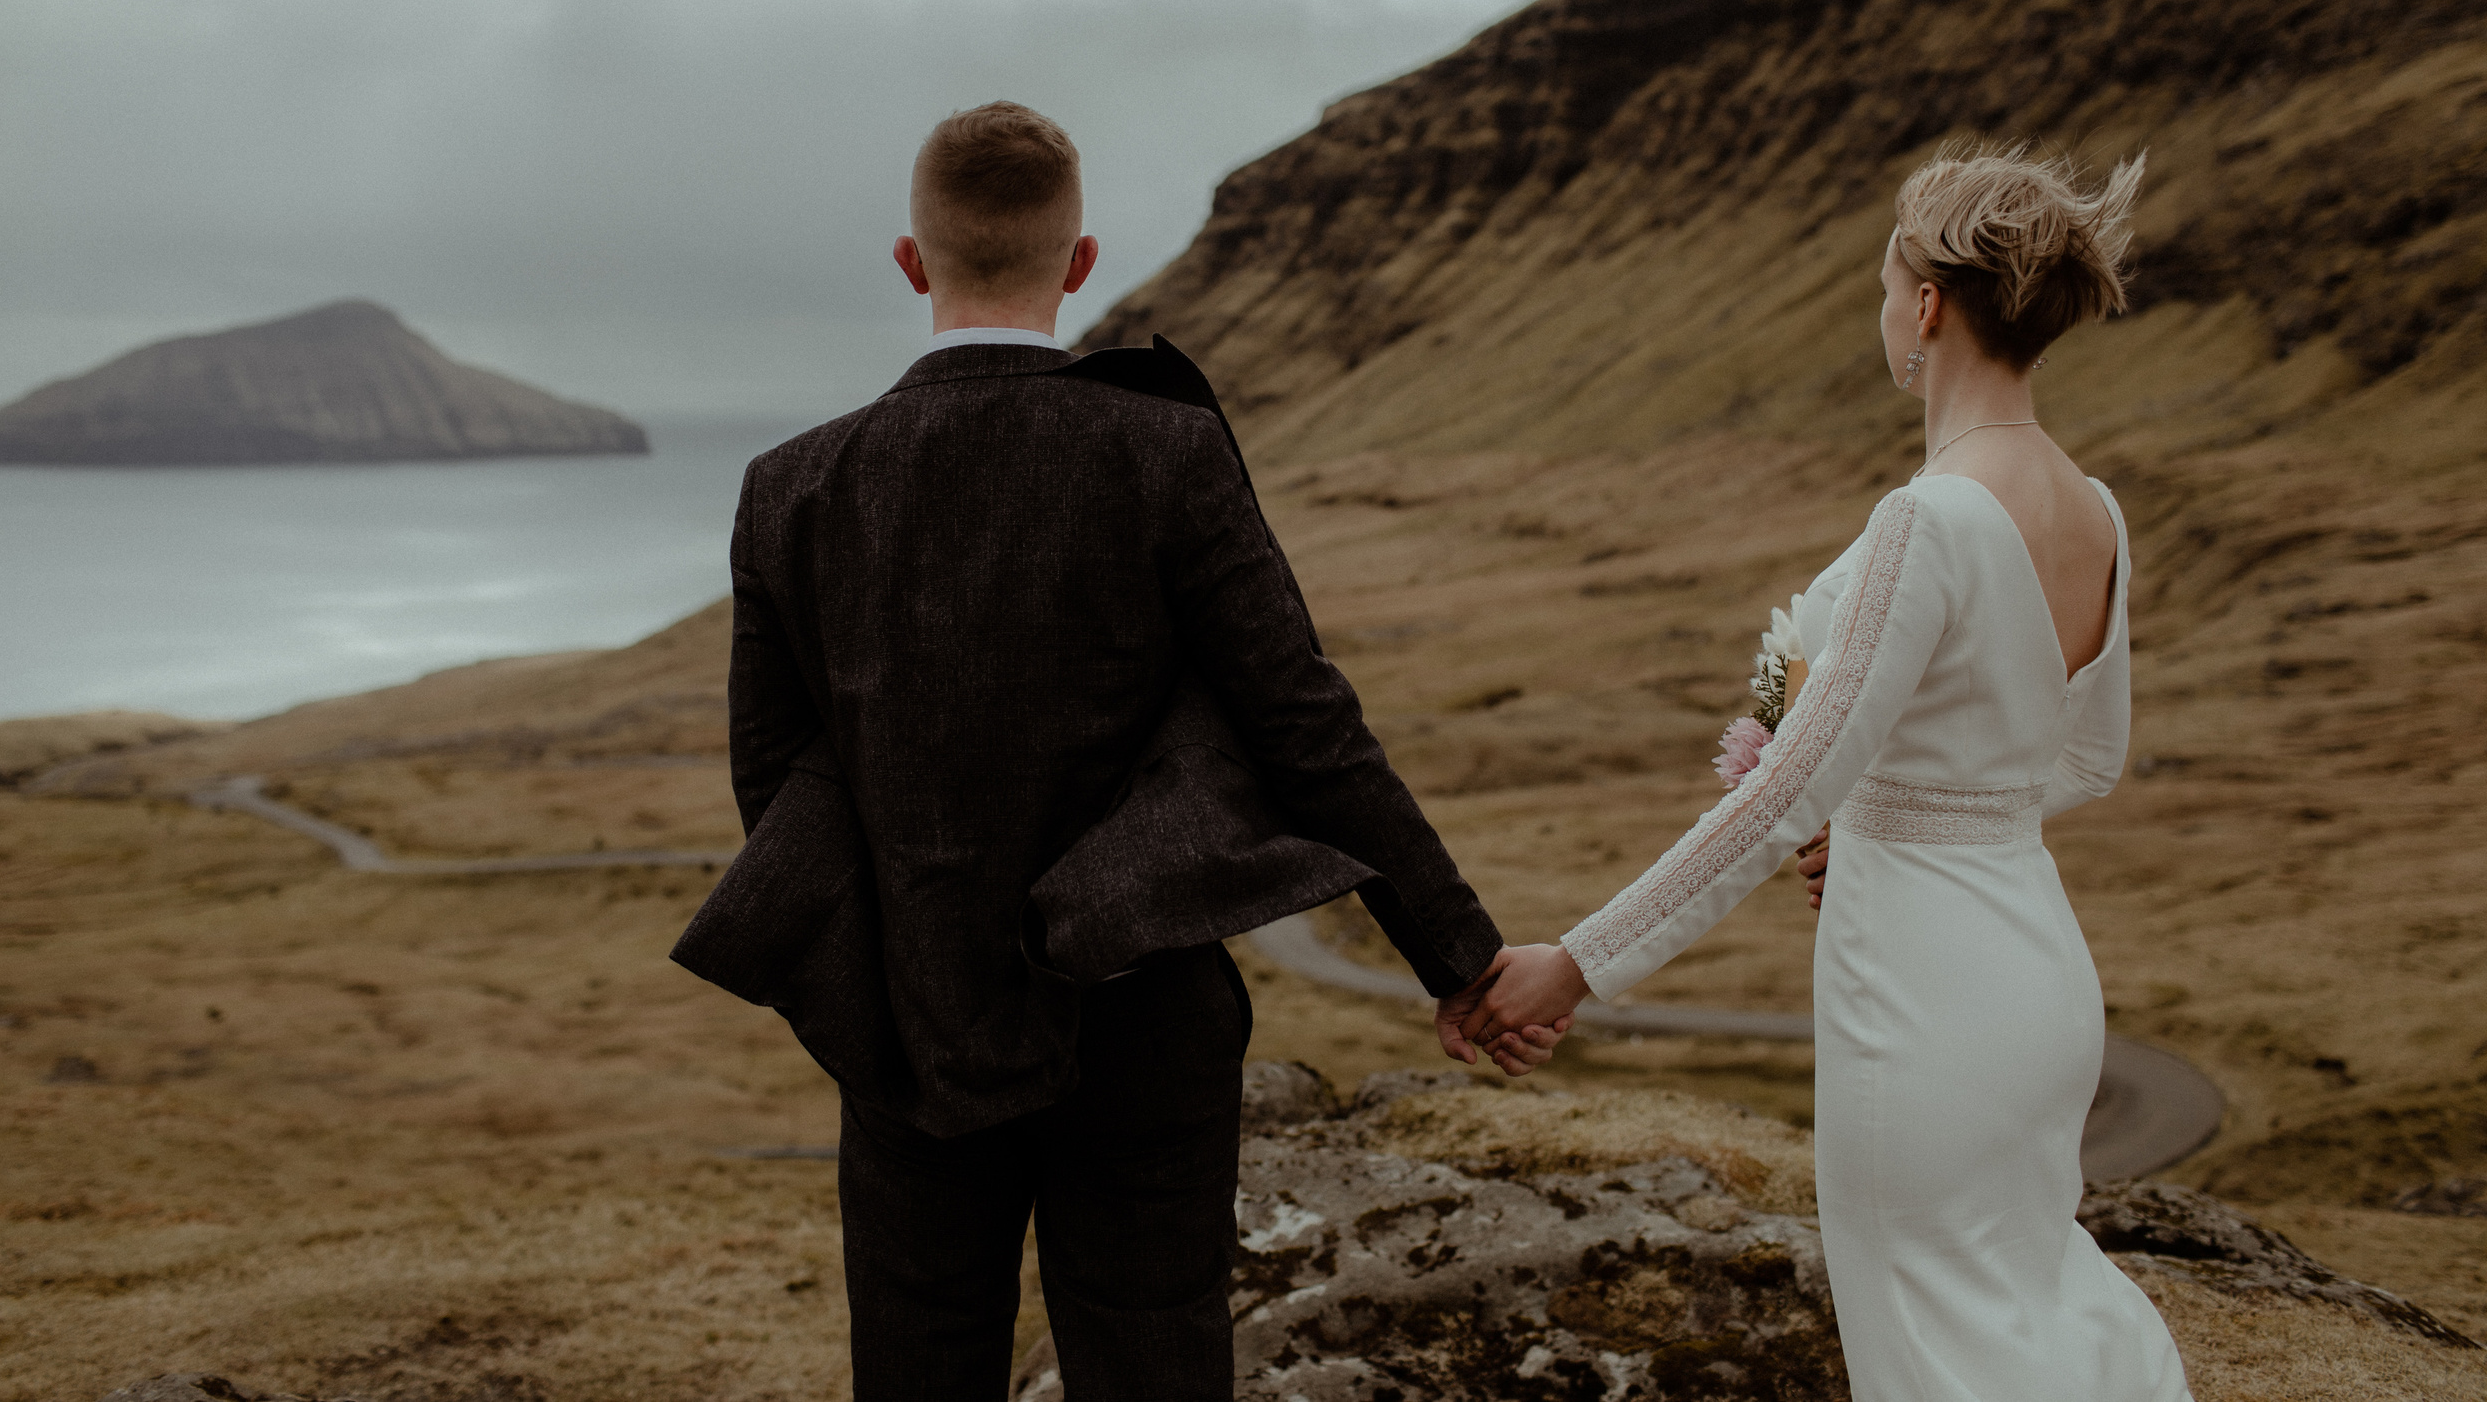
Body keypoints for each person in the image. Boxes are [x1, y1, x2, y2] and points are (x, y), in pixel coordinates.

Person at [722, 100, 1555, 1402]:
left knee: (918, 1365)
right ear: (1080, 260)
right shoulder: (1168, 448)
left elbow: (773, 780)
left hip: (904, 1021)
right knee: (1154, 1363)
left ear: (910, 259)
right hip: (1146, 1017)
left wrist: (879, 972)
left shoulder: (795, 485)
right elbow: (1303, 721)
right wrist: (1458, 956)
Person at [1453, 143, 2193, 1400]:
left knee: (1931, 1343)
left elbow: (1785, 789)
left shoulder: (1930, 517)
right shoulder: (2095, 509)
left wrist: (1575, 962)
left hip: (1921, 990)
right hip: (2038, 974)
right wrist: (1924, 809)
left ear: (1925, 307)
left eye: (1883, 284)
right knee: (2026, 1306)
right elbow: (2090, 757)